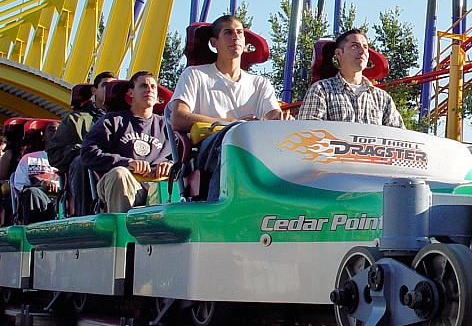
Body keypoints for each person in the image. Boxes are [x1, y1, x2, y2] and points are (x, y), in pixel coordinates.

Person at [169, 14, 288, 200]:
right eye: (228, 32)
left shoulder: (260, 84)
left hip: (254, 148)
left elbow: (273, 115)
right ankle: (220, 205)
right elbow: (178, 118)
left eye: (240, 33)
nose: (236, 37)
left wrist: (281, 120)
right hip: (209, 148)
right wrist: (232, 124)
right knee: (231, 141)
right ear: (213, 42)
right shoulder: (195, 75)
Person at [80, 71, 172, 213]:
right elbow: (88, 153)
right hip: (124, 182)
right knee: (119, 173)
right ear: (130, 93)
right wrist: (127, 163)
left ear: (158, 97)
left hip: (159, 186)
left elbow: (184, 158)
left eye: (153, 87)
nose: (149, 89)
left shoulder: (168, 126)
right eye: (143, 86)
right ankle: (122, 232)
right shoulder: (112, 121)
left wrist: (170, 165)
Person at [297, 29, 404, 127]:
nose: (362, 51)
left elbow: (399, 138)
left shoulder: (382, 98)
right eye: (354, 46)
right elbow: (308, 133)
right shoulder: (321, 90)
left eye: (365, 47)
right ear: (338, 53)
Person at [47, 70, 116, 215]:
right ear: (94, 91)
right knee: (82, 160)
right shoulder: (76, 119)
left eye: (113, 87)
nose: (109, 90)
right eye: (104, 86)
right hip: (90, 172)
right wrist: (85, 150)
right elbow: (55, 155)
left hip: (120, 168)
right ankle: (85, 215)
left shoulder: (127, 118)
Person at [11, 124, 59, 223]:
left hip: (62, 199)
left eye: (59, 130)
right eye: (51, 129)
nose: (55, 131)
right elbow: (20, 188)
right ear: (43, 137)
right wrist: (41, 184)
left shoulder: (69, 159)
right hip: (37, 200)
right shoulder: (29, 158)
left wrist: (55, 187)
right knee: (31, 192)